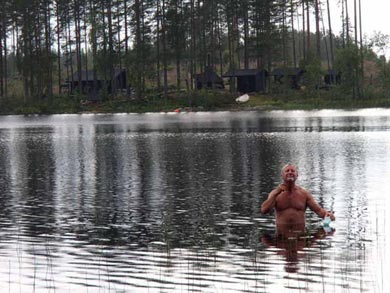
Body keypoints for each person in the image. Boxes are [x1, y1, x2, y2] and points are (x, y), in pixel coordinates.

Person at [261, 164, 335, 236]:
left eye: (293, 171)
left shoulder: (304, 194)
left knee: (318, 237)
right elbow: (264, 210)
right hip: (281, 236)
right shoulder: (275, 193)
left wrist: (328, 215)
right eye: (287, 171)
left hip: (300, 237)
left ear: (297, 175)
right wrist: (277, 192)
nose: (290, 172)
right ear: (282, 176)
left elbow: (319, 211)